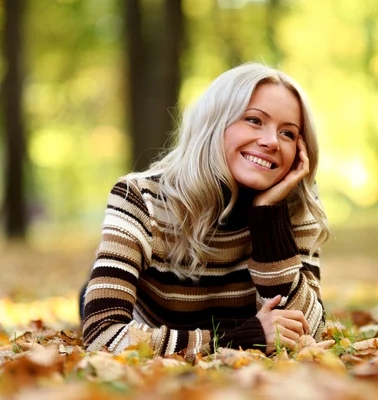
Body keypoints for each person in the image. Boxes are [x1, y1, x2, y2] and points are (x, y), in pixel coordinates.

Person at [81, 62, 330, 359]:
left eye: (288, 133)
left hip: (188, 335)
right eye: (254, 120)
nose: (271, 141)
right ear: (214, 122)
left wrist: (267, 218)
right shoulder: (139, 197)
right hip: (147, 318)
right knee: (92, 296)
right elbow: (103, 334)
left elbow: (308, 333)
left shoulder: (292, 209)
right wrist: (240, 339)